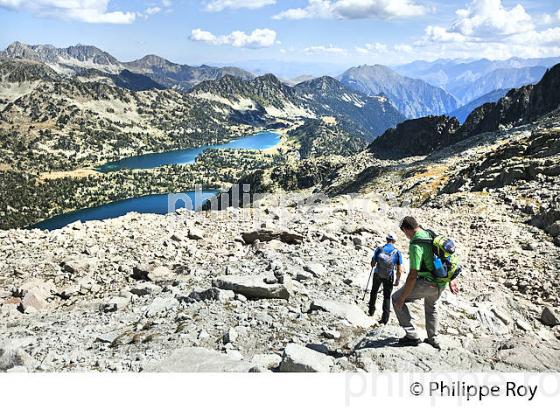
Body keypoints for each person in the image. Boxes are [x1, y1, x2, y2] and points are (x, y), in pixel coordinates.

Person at [392, 216, 459, 349]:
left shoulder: (416, 244)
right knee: (431, 306)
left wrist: (402, 297)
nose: (406, 236)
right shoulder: (430, 233)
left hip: (427, 283)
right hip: (441, 282)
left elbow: (412, 275)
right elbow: (446, 258)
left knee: (396, 299)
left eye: (404, 233)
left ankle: (412, 336)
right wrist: (451, 279)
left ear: (406, 230)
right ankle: (433, 338)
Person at [368, 232, 403, 325]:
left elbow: (372, 264)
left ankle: (371, 311)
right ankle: (384, 319)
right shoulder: (397, 252)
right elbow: (399, 269)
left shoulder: (379, 249)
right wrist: (397, 280)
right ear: (394, 241)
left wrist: (374, 264)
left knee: (374, 291)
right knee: (387, 297)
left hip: (377, 274)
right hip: (389, 276)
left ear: (386, 239)